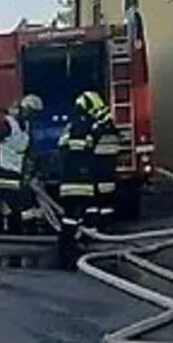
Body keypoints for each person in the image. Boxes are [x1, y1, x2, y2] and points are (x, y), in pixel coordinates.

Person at [0, 93, 43, 233]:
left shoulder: (26, 128)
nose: (33, 117)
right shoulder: (8, 125)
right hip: (4, 176)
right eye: (33, 113)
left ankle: (18, 237)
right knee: (14, 207)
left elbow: (28, 152)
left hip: (16, 176)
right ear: (26, 109)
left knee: (18, 210)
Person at [55, 91, 105, 269]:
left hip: (75, 182)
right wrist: (98, 130)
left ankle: (81, 246)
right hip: (78, 182)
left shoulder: (72, 126)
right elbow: (82, 149)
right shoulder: (80, 126)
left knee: (85, 214)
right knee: (72, 217)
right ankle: (67, 252)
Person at [86, 92, 122, 230]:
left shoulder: (98, 131)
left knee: (93, 200)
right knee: (106, 201)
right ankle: (106, 226)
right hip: (108, 169)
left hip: (97, 168)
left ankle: (93, 226)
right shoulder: (113, 130)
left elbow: (89, 146)